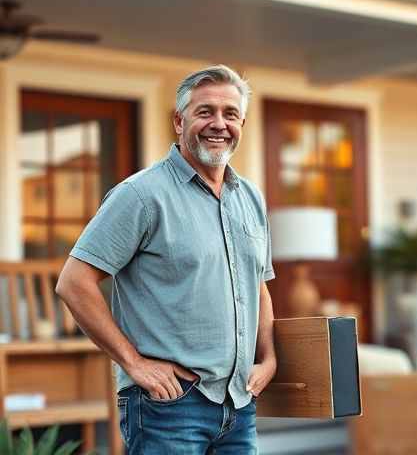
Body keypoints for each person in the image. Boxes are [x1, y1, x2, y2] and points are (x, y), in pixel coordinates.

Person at [56, 65, 276, 454]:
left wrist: (269, 356)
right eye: (204, 112)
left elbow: (257, 285)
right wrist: (134, 363)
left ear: (242, 122)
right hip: (170, 405)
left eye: (230, 114)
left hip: (239, 404)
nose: (218, 124)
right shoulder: (141, 195)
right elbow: (74, 282)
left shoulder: (251, 198)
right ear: (179, 120)